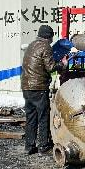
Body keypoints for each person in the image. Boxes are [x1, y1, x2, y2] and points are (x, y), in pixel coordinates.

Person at [21, 25, 69, 155]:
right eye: (52, 37)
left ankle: (29, 146)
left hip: (27, 87)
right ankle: (43, 146)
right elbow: (51, 67)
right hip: (39, 87)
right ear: (49, 37)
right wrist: (63, 64)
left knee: (31, 117)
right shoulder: (45, 46)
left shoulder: (31, 45)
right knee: (43, 116)